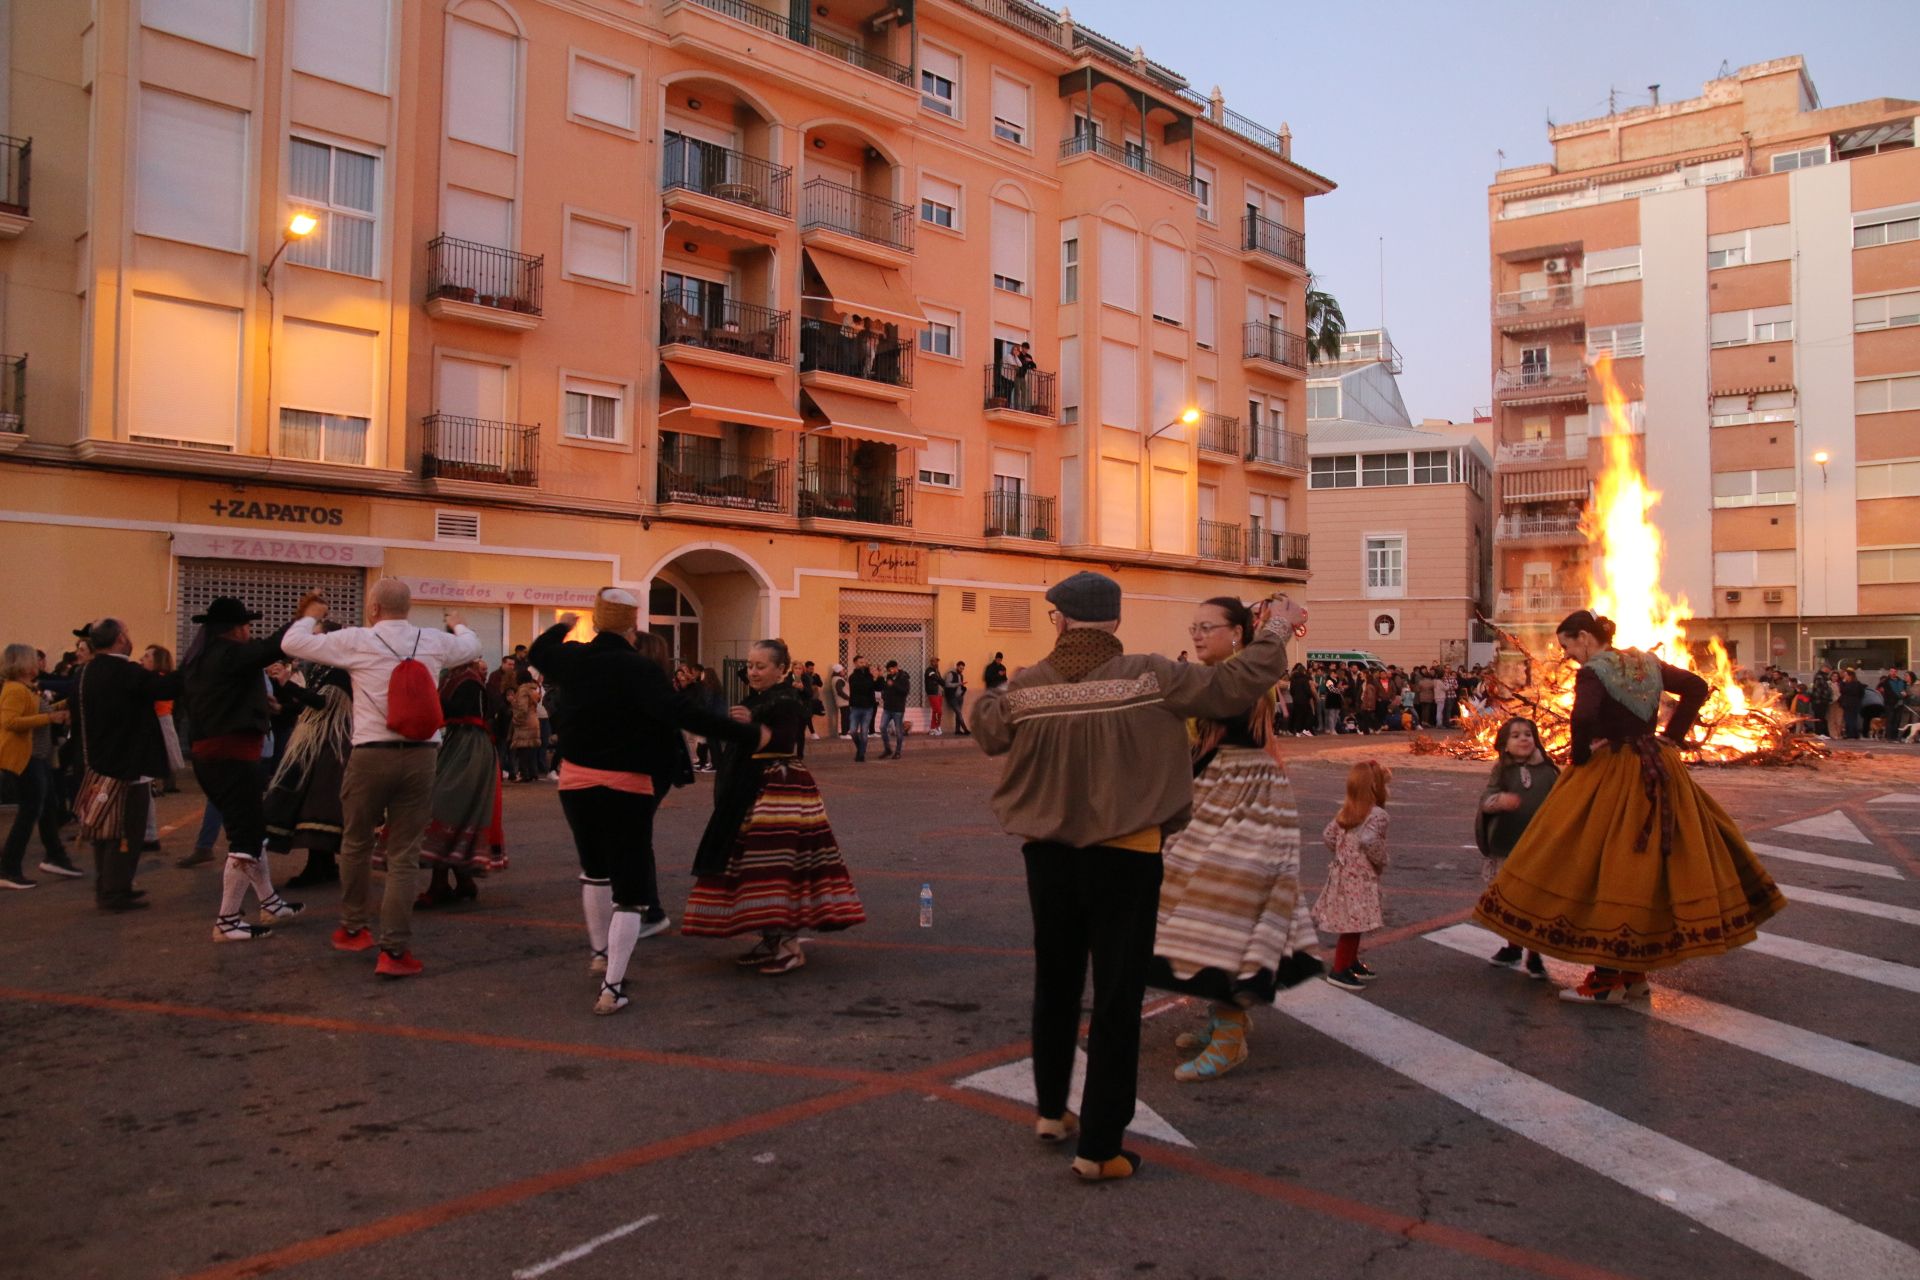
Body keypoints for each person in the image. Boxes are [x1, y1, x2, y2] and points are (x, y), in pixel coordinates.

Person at [969, 571, 1305, 1183]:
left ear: (1061, 621)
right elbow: (1237, 684)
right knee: (1117, 998)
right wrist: (1277, 626)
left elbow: (989, 727)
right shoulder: (1153, 674)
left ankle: (1050, 1111)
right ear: (1115, 622)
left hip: (1047, 856)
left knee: (1056, 982)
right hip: (1126, 855)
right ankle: (1099, 1149)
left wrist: (997, 691)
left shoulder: (1032, 684)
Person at [1474, 611, 1788, 1005]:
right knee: (1642, 866)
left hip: (1613, 771)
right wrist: (1672, 737)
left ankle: (1607, 981)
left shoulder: (1594, 672)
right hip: (1657, 766)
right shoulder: (1647, 662)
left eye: (1568, 646)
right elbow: (1696, 686)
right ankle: (1631, 975)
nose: (1568, 655)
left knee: (1599, 865)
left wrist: (1583, 754)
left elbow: (1584, 715)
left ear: (1585, 638)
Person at [529, 592, 761, 1013]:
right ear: (631, 627)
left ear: (597, 623)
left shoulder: (573, 660)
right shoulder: (640, 669)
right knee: (630, 891)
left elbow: (541, 651)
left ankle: (599, 953)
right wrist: (745, 733)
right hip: (627, 784)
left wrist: (563, 624)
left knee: (595, 872)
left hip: (575, 780)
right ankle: (611, 987)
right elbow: (682, 714)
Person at [1149, 598, 1322, 1083]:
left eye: (1208, 627)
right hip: (1217, 793)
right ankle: (1225, 1022)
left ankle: (1228, 1037)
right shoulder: (1219, 675)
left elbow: (1232, 693)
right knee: (1201, 907)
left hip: (1246, 801)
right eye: (1194, 626)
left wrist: (1277, 628)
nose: (1198, 635)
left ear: (1237, 634)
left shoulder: (1237, 678)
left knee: (1223, 913)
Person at [280, 579, 482, 978]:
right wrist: (458, 623)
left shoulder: (357, 639)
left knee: (355, 841)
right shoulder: (431, 640)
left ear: (372, 608)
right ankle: (394, 950)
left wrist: (311, 616)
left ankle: (354, 926)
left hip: (370, 754)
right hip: (423, 755)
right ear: (408, 609)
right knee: (404, 854)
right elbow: (472, 646)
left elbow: (292, 644)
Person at [683, 638, 865, 976]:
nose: (752, 671)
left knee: (774, 867)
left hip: (777, 791)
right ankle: (775, 940)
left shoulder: (785, 699)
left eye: (760, 666)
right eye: (749, 665)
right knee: (753, 866)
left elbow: (781, 742)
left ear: (781, 669)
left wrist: (751, 728)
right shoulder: (765, 697)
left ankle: (787, 947)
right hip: (757, 788)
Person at [180, 596, 307, 941]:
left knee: (252, 833)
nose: (250, 632)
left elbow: (223, 699)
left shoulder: (203, 658)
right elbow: (269, 649)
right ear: (236, 629)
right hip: (230, 758)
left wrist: (260, 706)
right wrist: (304, 619)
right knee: (246, 838)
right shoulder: (227, 653)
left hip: (218, 756)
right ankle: (228, 920)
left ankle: (269, 902)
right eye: (247, 625)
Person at [72, 618, 179, 912]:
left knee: (103, 832)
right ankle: (114, 892)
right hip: (126, 767)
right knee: (125, 833)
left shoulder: (86, 672)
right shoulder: (125, 671)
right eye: (128, 633)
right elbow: (165, 686)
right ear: (119, 639)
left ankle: (109, 887)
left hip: (95, 765)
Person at [411, 658, 507, 907]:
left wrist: (428, 696)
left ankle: (441, 884)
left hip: (470, 747)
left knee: (448, 807)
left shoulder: (469, 682)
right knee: (457, 810)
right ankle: (461, 881)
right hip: (460, 744)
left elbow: (466, 713)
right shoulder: (454, 679)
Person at [262, 643, 353, 888]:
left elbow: (323, 703)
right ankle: (321, 864)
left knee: (319, 804)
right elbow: (310, 704)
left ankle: (319, 865)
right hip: (315, 742)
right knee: (309, 803)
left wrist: (287, 685)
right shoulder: (322, 670)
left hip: (329, 745)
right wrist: (284, 706)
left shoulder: (340, 670)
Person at [1474, 719, 1558, 979]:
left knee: (1534, 902)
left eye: (1528, 734)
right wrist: (1500, 801)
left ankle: (1534, 954)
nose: (1523, 739)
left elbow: (1561, 800)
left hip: (1539, 847)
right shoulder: (1503, 770)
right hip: (1508, 844)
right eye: (1516, 735)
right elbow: (1486, 800)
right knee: (1511, 899)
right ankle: (1513, 947)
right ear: (1505, 744)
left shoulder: (1549, 771)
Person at [1, 643, 79, 888]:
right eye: (34, 659)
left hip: (38, 757)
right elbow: (10, 721)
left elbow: (36, 711)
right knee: (30, 811)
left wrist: (60, 708)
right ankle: (8, 868)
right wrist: (50, 717)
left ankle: (55, 857)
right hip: (27, 759)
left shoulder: (26, 688)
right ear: (23, 662)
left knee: (47, 808)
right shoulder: (15, 689)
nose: (38, 664)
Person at [1314, 760, 1392, 991]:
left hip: (1342, 874)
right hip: (1361, 877)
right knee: (1353, 925)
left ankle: (1351, 961)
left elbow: (1328, 835)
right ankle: (1339, 969)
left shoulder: (1346, 811)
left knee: (1354, 921)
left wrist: (1342, 855)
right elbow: (1370, 841)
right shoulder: (1377, 814)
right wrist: (1380, 859)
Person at [508, 668, 543, 780]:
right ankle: (533, 773)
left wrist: (516, 719)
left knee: (522, 750)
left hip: (525, 722)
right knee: (531, 749)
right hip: (534, 720)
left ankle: (524, 775)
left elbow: (522, 708)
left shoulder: (523, 690)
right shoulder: (533, 689)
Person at [847, 656, 877, 763]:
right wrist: (871, 680)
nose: (863, 664)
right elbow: (861, 688)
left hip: (868, 707)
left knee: (864, 732)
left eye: (864, 662)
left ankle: (860, 754)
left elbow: (878, 687)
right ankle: (861, 749)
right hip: (856, 707)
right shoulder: (853, 677)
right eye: (860, 662)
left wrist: (878, 678)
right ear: (855, 663)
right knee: (853, 731)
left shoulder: (870, 676)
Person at [878, 660, 909, 759]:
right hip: (887, 707)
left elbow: (905, 691)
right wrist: (884, 695)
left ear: (896, 667)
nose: (890, 672)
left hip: (898, 709)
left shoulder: (904, 678)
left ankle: (898, 752)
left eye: (891, 669)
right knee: (882, 727)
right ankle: (887, 749)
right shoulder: (889, 677)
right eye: (888, 670)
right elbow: (885, 688)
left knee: (898, 731)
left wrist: (894, 685)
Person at [943, 659, 969, 735]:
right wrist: (958, 684)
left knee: (958, 714)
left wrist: (963, 689)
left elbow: (960, 685)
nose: (962, 670)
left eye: (963, 668)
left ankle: (957, 730)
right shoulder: (950, 674)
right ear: (957, 667)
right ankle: (965, 729)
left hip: (960, 697)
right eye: (960, 668)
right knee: (959, 712)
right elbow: (947, 684)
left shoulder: (961, 675)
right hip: (952, 697)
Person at [923, 659, 946, 736]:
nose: (936, 663)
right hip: (933, 693)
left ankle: (932, 729)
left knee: (935, 711)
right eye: (934, 662)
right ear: (931, 662)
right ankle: (937, 727)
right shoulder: (929, 671)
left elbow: (940, 680)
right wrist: (946, 684)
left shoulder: (937, 671)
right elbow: (937, 679)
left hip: (939, 693)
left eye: (937, 662)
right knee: (939, 711)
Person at [826, 662, 846, 741]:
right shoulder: (838, 680)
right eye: (843, 670)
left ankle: (844, 732)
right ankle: (844, 733)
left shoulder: (835, 679)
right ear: (839, 671)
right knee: (845, 717)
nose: (844, 672)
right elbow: (840, 691)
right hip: (843, 701)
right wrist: (848, 697)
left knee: (845, 716)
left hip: (842, 701)